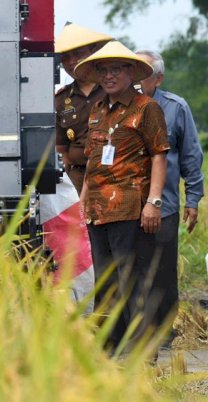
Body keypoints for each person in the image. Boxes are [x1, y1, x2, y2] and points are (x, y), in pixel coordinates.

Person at [75, 41, 170, 352]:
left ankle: (142, 348)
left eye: (116, 69)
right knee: (105, 279)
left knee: (134, 277)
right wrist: (83, 201)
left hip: (131, 208)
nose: (109, 76)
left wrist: (153, 203)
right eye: (103, 70)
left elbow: (159, 156)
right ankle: (109, 347)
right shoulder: (97, 110)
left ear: (131, 72)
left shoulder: (147, 108)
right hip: (97, 209)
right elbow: (92, 160)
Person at [136, 49, 204, 340]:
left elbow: (190, 155)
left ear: (158, 79)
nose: (137, 81)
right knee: (132, 265)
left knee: (162, 267)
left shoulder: (176, 107)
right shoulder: (118, 106)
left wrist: (193, 199)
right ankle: (136, 326)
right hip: (126, 203)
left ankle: (164, 330)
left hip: (164, 203)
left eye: (144, 74)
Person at [54, 23, 112, 194]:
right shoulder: (61, 99)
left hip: (113, 176)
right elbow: (61, 150)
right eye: (65, 57)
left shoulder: (113, 89)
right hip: (76, 179)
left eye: (78, 54)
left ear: (93, 53)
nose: (72, 62)